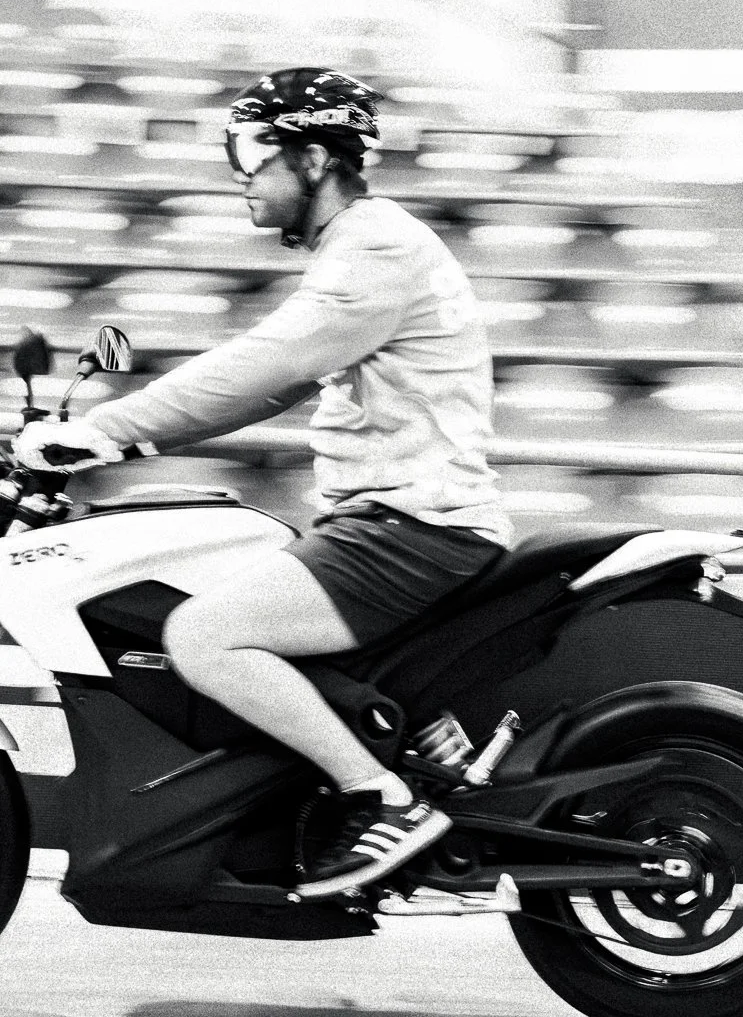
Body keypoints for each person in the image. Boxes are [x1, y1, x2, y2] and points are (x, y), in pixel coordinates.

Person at [13, 68, 511, 899]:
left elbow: (264, 364)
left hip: (410, 526)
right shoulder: (361, 248)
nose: (241, 173)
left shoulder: (375, 248)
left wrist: (108, 427)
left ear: (314, 159)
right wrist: (124, 446)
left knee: (206, 636)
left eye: (253, 150)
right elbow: (278, 384)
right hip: (388, 520)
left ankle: (380, 799)